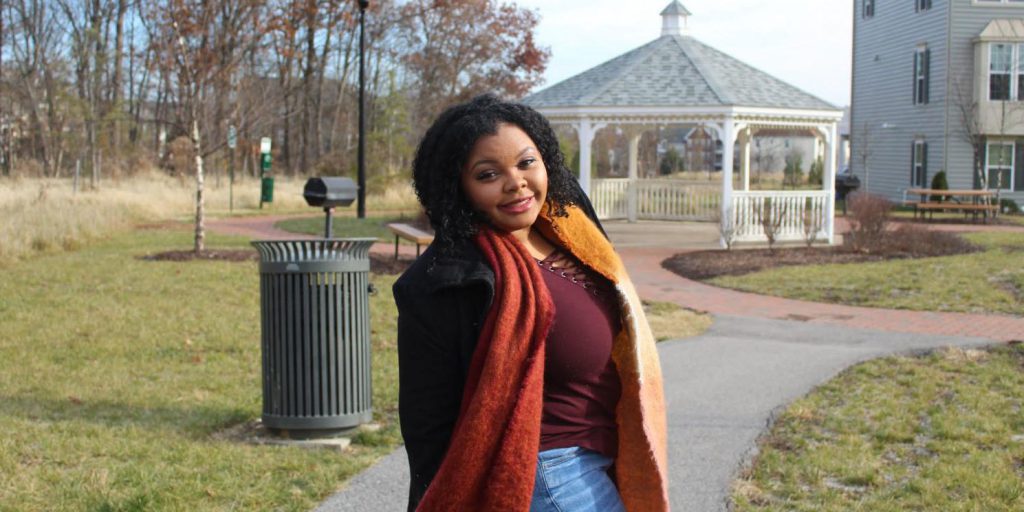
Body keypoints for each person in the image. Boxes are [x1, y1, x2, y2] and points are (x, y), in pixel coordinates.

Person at [394, 94, 669, 512]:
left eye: (526, 162)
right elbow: (428, 421)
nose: (516, 183)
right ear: (458, 188)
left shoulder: (569, 227)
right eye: (488, 174)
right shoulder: (453, 279)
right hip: (548, 474)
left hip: (602, 453)